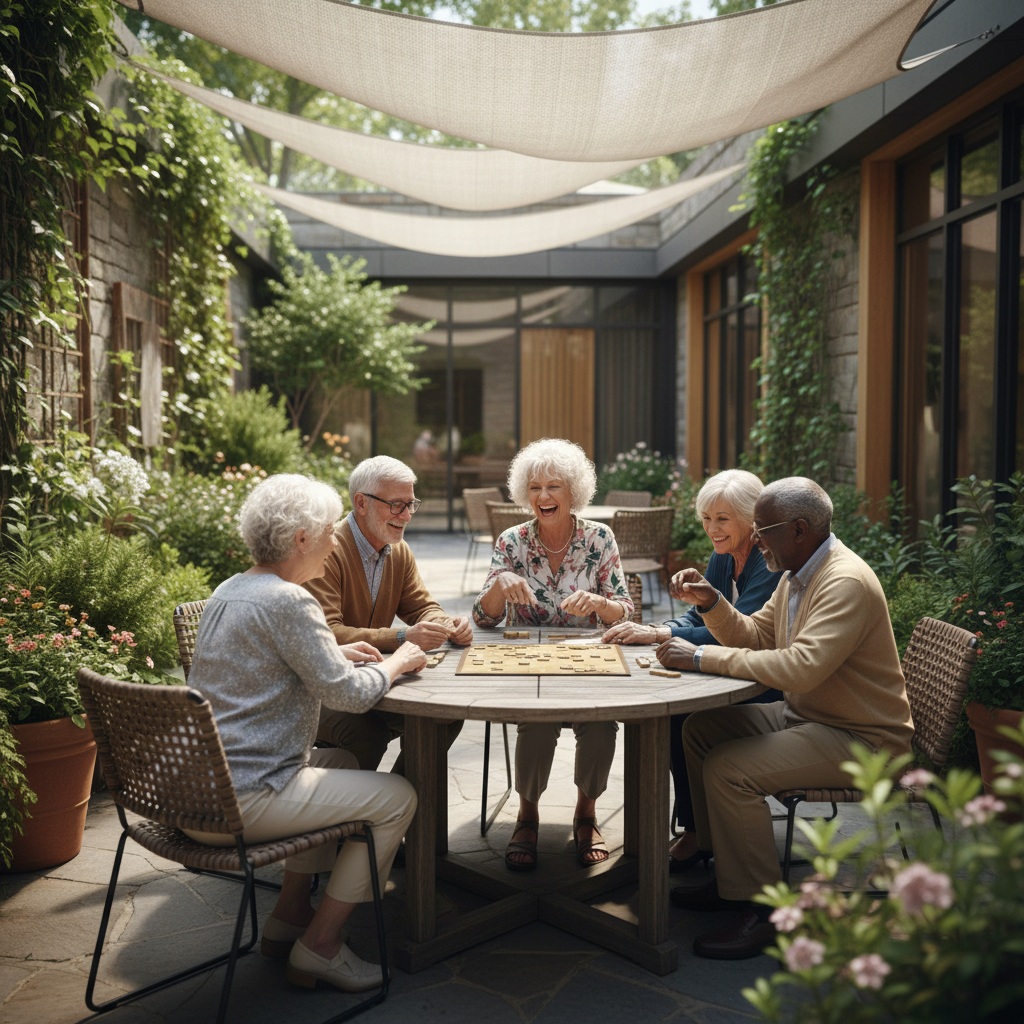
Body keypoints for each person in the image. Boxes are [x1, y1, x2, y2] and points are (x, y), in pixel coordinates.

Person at [185, 474, 428, 992]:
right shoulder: (291, 602)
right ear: (301, 539)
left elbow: (267, 660)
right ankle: (320, 946)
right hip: (242, 801)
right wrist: (400, 660)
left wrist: (332, 652)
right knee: (396, 798)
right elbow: (351, 697)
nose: (334, 541)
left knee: (338, 762)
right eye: (327, 532)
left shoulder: (232, 588)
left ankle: (288, 917)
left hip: (194, 793)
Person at [656, 477, 913, 960]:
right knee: (700, 730)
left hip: (863, 740)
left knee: (730, 769)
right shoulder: (797, 574)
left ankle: (765, 911)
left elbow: (799, 666)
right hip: (813, 718)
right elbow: (755, 636)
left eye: (763, 530)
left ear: (799, 529)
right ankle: (728, 875)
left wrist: (700, 658)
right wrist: (712, 603)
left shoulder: (843, 582)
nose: (754, 540)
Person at [602, 469, 783, 875]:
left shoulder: (767, 562)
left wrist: (658, 632)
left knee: (682, 715)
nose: (711, 529)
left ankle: (700, 831)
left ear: (751, 521)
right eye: (705, 518)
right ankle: (700, 826)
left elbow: (741, 632)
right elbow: (700, 613)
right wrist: (659, 631)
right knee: (676, 714)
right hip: (735, 671)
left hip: (765, 683)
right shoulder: (724, 555)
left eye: (722, 519)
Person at [473, 438, 634, 871]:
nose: (543, 496)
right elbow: (482, 620)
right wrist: (498, 587)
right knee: (535, 724)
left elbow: (625, 611)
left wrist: (601, 605)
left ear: (573, 492)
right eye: (535, 487)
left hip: (585, 659)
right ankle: (527, 816)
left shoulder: (600, 539)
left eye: (555, 487)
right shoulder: (512, 542)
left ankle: (586, 813)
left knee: (602, 726)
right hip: (526, 660)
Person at [305, 455, 472, 775]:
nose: (407, 515)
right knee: (366, 731)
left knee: (445, 715)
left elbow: (421, 606)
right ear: (361, 503)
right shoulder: (326, 550)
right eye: (397, 505)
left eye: (411, 504)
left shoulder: (398, 550)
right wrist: (401, 637)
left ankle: (403, 808)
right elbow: (328, 634)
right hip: (321, 688)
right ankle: (353, 816)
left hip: (372, 678)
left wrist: (447, 625)